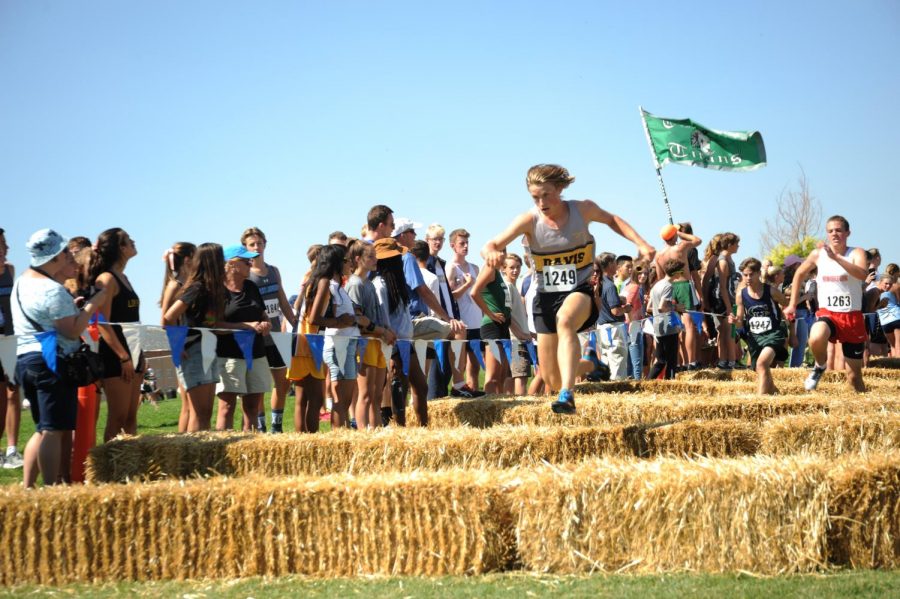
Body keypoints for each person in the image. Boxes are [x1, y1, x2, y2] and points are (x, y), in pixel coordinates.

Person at [482, 164, 654, 414]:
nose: (541, 203)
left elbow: (613, 220)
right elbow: (492, 243)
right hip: (545, 299)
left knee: (565, 321)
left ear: (560, 189)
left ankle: (568, 394)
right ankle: (590, 365)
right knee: (551, 376)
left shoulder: (582, 210)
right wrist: (490, 253)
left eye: (546, 195)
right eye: (535, 197)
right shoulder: (528, 220)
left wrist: (642, 243)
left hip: (579, 291)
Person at [12, 229, 107, 487]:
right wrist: (94, 303)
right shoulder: (52, 289)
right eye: (65, 253)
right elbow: (73, 330)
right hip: (51, 361)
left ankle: (29, 486)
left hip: (26, 359)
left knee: (43, 428)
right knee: (53, 430)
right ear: (53, 257)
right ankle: (51, 487)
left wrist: (73, 309)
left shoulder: (22, 282)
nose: (70, 257)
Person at [785, 215, 868, 392]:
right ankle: (819, 366)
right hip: (828, 312)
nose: (834, 234)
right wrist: (792, 304)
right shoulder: (818, 255)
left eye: (838, 230)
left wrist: (837, 258)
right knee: (815, 336)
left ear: (848, 233)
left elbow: (862, 274)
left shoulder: (856, 253)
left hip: (852, 316)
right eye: (830, 231)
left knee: (854, 378)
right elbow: (799, 274)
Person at [83, 228, 143, 442]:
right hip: (116, 355)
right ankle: (110, 469)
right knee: (117, 418)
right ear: (120, 248)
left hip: (134, 351)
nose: (133, 241)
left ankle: (130, 467)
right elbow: (102, 324)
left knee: (130, 417)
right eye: (128, 239)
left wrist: (137, 356)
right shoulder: (106, 279)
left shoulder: (124, 277)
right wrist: (123, 356)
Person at [162, 243, 227, 431]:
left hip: (208, 349)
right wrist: (177, 346)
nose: (224, 263)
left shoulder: (212, 288)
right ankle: (190, 456)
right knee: (198, 412)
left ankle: (202, 452)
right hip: (194, 351)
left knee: (206, 412)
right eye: (220, 258)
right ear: (212, 261)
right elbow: (169, 317)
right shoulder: (196, 288)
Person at [242, 227, 298, 434]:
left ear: (265, 244)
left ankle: (276, 425)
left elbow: (282, 299)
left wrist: (293, 320)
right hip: (256, 336)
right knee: (258, 386)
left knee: (282, 383)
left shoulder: (274, 271)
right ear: (245, 248)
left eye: (259, 243)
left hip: (276, 335)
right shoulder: (245, 274)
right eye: (252, 244)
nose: (257, 247)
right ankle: (261, 425)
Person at [215, 245, 273, 431]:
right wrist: (244, 326)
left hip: (256, 353)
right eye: (246, 260)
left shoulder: (251, 286)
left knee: (252, 408)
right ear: (231, 265)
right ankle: (221, 449)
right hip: (229, 355)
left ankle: (250, 447)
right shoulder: (217, 290)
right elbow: (212, 324)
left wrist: (266, 323)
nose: (251, 263)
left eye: (251, 259)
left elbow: (263, 315)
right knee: (227, 407)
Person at [306, 244, 363, 429]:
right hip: (337, 345)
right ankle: (339, 439)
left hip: (347, 344)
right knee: (341, 402)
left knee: (345, 401)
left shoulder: (339, 286)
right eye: (346, 260)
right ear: (337, 263)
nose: (350, 264)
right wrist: (340, 322)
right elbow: (314, 318)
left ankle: (343, 438)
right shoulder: (327, 283)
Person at [345, 240, 396, 429]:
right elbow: (358, 319)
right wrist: (382, 331)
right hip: (364, 343)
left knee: (376, 393)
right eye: (370, 256)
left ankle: (376, 431)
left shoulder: (369, 283)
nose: (376, 260)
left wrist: (386, 331)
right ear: (358, 259)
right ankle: (363, 433)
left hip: (376, 341)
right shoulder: (355, 284)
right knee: (365, 394)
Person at [733, 258, 790, 394]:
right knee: (757, 368)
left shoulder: (771, 291)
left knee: (762, 364)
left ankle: (760, 401)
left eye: (751, 274)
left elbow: (788, 305)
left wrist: (789, 324)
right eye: (745, 275)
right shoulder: (741, 295)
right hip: (754, 337)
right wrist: (735, 320)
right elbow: (740, 320)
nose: (747, 278)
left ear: (759, 273)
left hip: (773, 334)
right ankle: (773, 390)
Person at [159, 241, 196, 432]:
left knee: (192, 404)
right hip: (182, 347)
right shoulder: (174, 285)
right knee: (188, 405)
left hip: (190, 344)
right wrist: (177, 346)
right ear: (188, 259)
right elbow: (164, 321)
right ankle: (183, 445)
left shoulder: (188, 283)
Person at [656, 223, 703, 371]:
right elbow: (697, 240)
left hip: (668, 287)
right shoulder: (681, 247)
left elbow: (659, 277)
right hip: (683, 285)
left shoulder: (659, 255)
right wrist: (680, 233)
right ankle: (692, 361)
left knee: (677, 327)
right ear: (674, 235)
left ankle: (680, 362)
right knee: (688, 326)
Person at [447, 228, 483, 395]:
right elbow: (450, 296)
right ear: (453, 246)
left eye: (467, 243)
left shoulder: (474, 267)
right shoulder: (451, 268)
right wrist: (467, 285)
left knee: (475, 364)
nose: (466, 246)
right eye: (462, 243)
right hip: (462, 321)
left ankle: (473, 391)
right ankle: (460, 388)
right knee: (460, 363)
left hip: (476, 320)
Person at [0, 227, 23, 469]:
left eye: (5, 243)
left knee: (13, 391)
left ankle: (12, 448)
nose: (5, 248)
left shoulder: (10, 270)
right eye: (0, 244)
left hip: (11, 338)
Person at [647, 259, 685, 379]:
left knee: (661, 360)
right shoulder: (668, 286)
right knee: (672, 360)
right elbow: (662, 307)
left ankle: (647, 382)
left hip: (658, 327)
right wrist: (676, 307)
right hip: (668, 327)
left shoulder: (656, 285)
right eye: (681, 272)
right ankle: (670, 384)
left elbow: (649, 308)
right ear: (676, 273)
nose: (682, 274)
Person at [594, 252, 629, 380]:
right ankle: (618, 389)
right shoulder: (610, 285)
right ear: (609, 265)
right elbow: (615, 311)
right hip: (613, 328)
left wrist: (618, 299)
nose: (616, 266)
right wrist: (626, 308)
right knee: (617, 360)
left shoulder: (599, 283)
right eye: (614, 263)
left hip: (602, 327)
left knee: (606, 360)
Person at [501, 253, 532, 395]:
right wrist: (520, 333)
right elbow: (506, 313)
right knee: (520, 376)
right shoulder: (507, 286)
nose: (515, 271)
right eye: (511, 267)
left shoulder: (513, 286)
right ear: (503, 269)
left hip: (515, 337)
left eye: (518, 267)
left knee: (510, 376)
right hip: (516, 339)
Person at [623, 262, 647, 379]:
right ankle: (638, 383)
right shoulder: (636, 287)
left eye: (645, 274)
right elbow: (628, 305)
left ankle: (632, 381)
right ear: (634, 274)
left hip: (629, 326)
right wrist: (633, 322)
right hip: (634, 326)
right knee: (637, 359)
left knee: (630, 359)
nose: (643, 276)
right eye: (640, 274)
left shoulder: (627, 286)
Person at [876, 275, 900, 358]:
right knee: (898, 345)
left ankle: (895, 366)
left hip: (885, 322)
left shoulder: (875, 291)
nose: (888, 286)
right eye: (886, 283)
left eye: (890, 284)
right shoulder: (896, 287)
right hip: (896, 318)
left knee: (893, 346)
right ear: (880, 282)